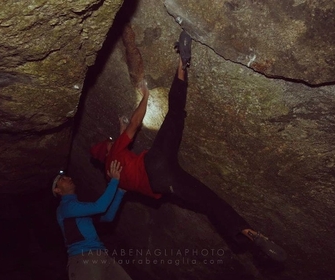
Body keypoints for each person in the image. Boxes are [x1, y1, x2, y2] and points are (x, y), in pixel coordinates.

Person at [90, 31, 286, 262]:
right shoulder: (115, 152)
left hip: (165, 184)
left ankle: (248, 233)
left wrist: (119, 133)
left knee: (209, 202)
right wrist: (144, 95)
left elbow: (118, 173)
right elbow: (133, 127)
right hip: (156, 162)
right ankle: (182, 62)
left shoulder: (113, 176)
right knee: (174, 113)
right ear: (107, 148)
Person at [52, 160, 136, 280]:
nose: (69, 178)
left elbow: (107, 217)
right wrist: (114, 181)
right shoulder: (65, 208)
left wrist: (120, 192)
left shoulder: (79, 208)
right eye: (63, 179)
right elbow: (99, 207)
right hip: (83, 258)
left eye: (67, 176)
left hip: (100, 255)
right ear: (57, 190)